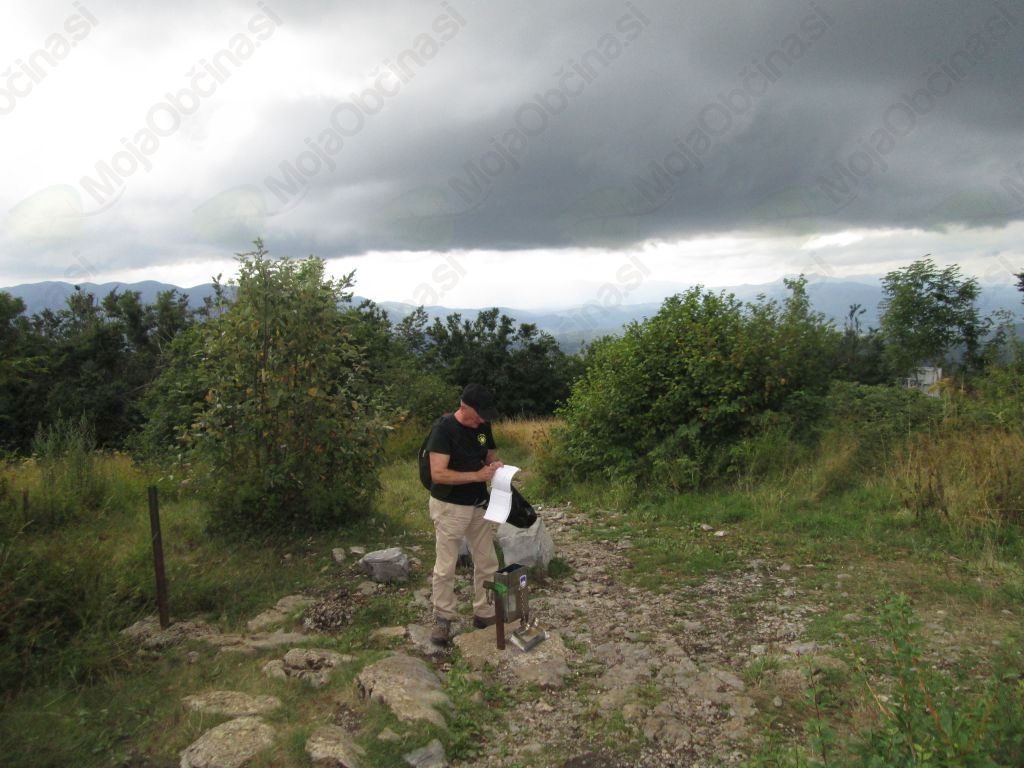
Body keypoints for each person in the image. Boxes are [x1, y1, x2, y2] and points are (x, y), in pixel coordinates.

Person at [425, 383, 503, 645]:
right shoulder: (443, 430)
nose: (482, 421)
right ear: (464, 407)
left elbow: (489, 454)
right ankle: (442, 618)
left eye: (485, 416)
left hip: (478, 504)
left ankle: (484, 611)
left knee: (487, 560)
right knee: (446, 565)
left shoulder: (483, 426)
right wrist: (476, 476)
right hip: (450, 506)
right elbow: (438, 474)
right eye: (479, 415)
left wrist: (495, 465)